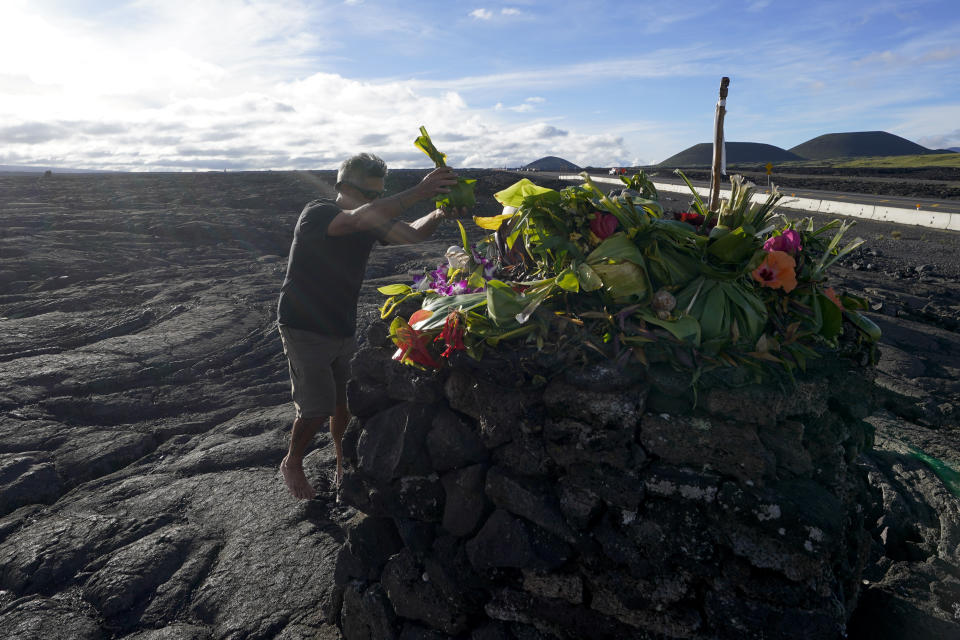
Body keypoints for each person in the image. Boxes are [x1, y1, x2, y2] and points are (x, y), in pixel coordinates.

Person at [277, 152, 467, 500]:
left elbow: (410, 235)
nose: (375, 203)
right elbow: (350, 221)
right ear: (342, 187)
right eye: (370, 195)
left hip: (341, 323)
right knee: (316, 406)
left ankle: (338, 462)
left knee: (341, 403)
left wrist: (438, 212)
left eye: (379, 196)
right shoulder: (318, 214)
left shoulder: (367, 219)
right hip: (304, 325)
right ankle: (292, 461)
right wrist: (418, 192)